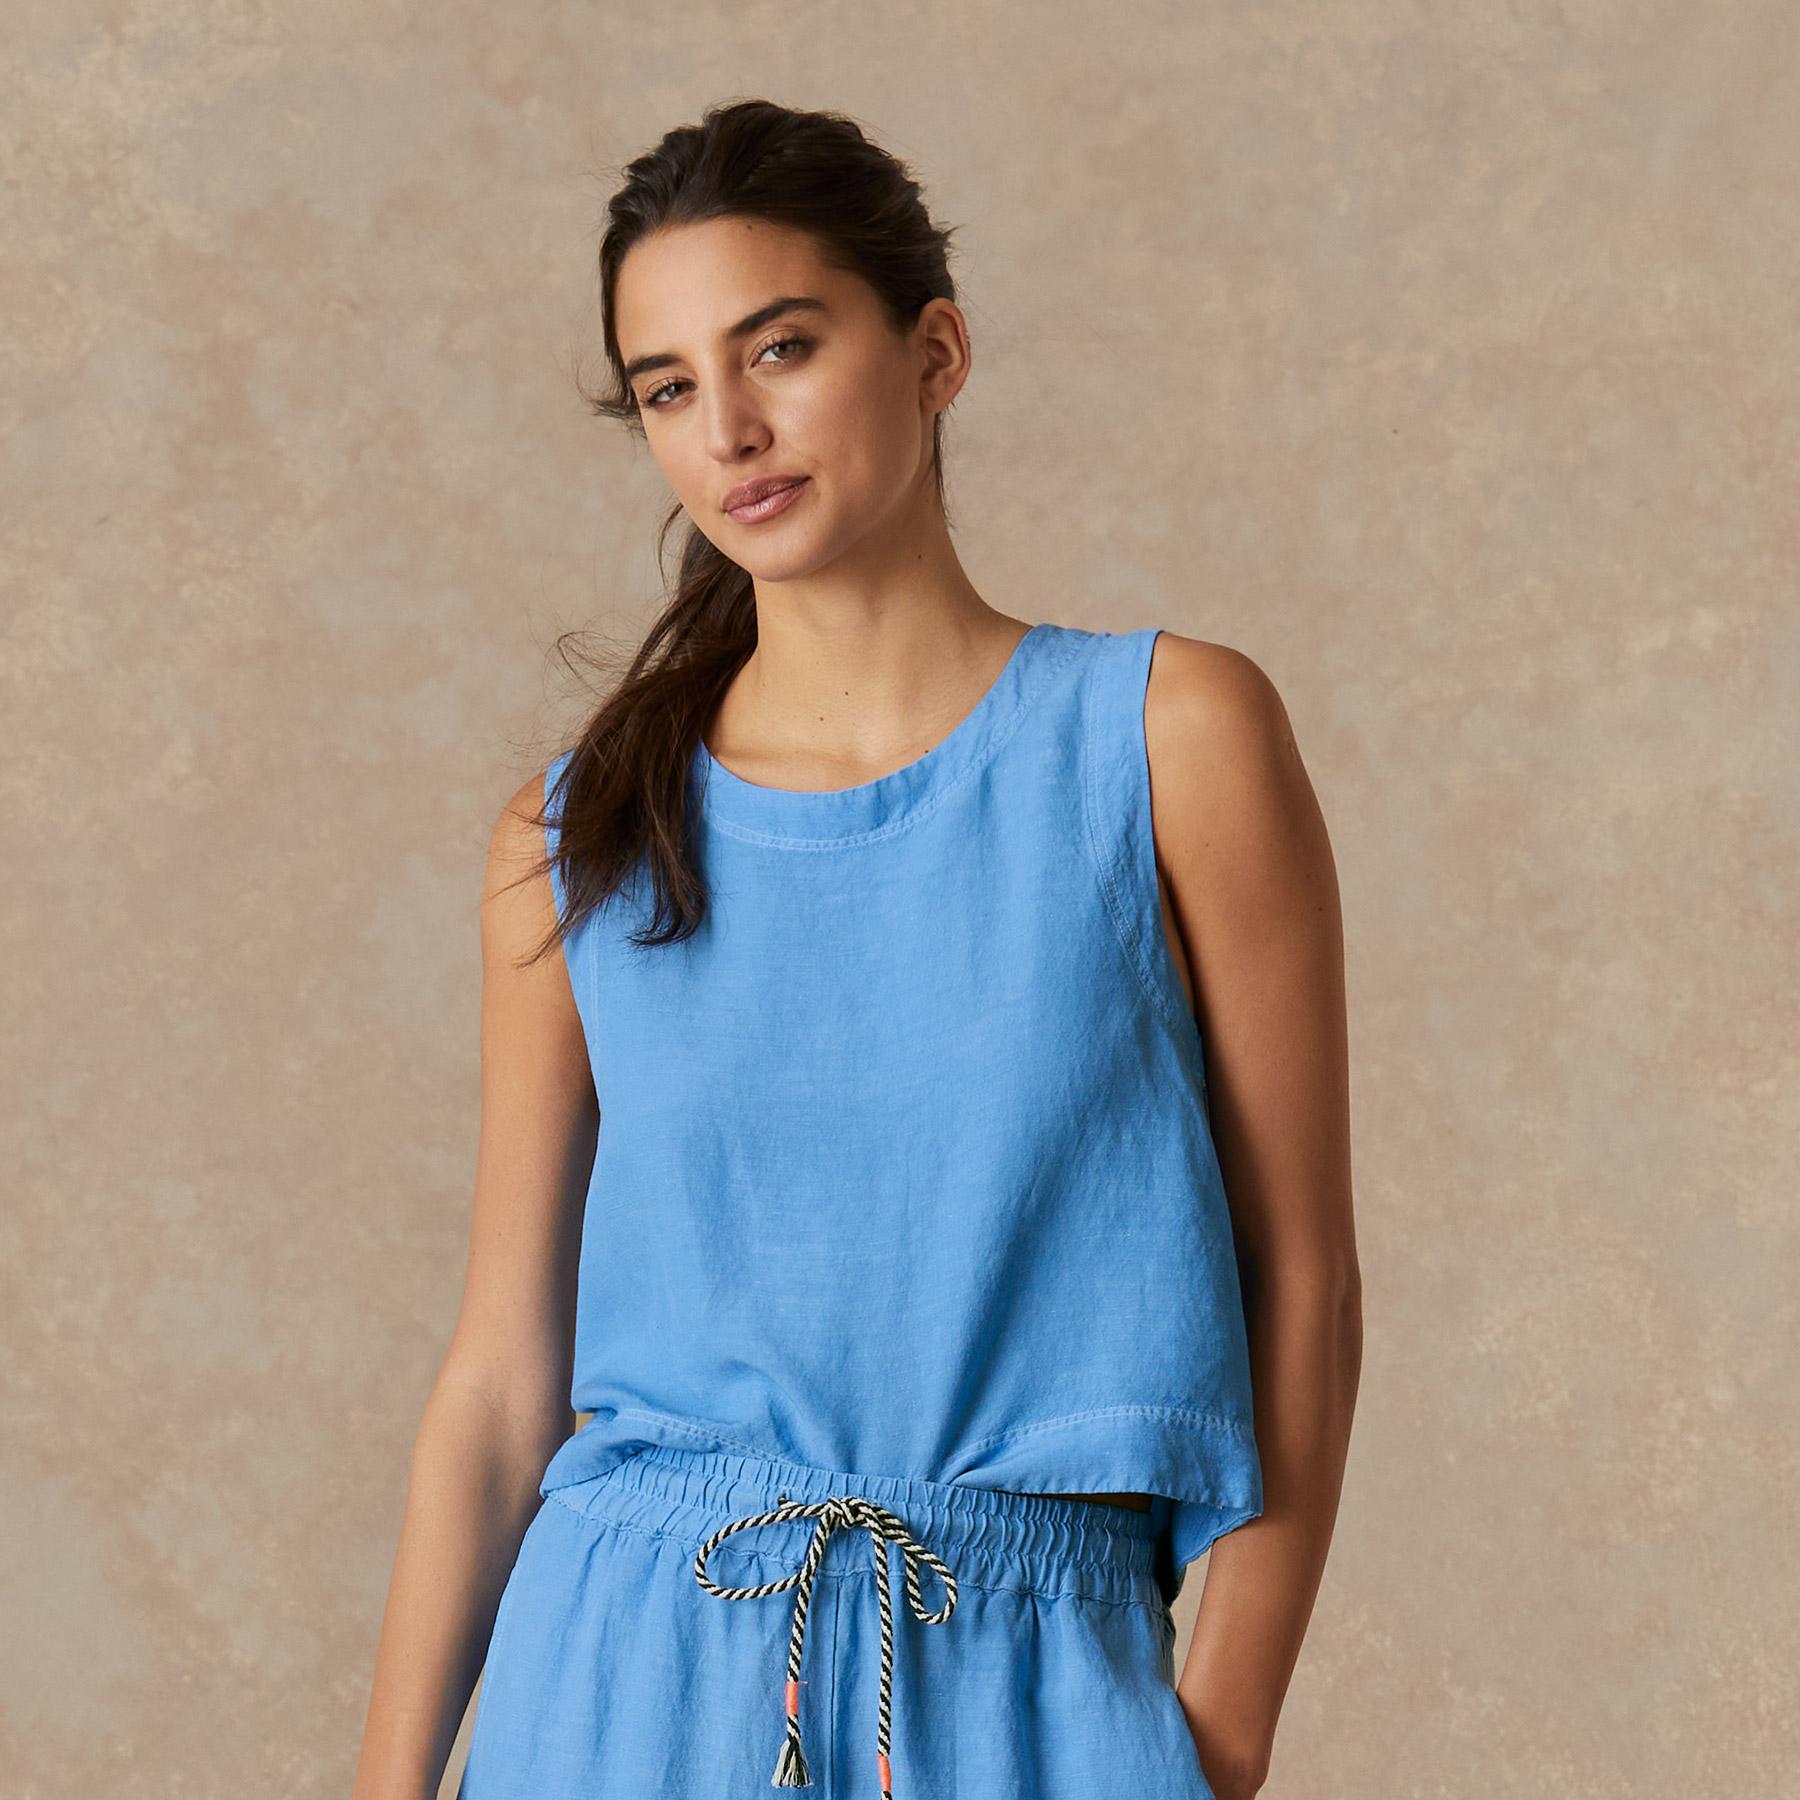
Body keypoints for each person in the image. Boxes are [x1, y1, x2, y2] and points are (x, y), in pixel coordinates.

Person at [352, 99, 1359, 1800]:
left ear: (935, 352)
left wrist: (1218, 1735)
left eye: (782, 348)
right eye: (668, 388)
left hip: (1028, 1672)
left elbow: (1306, 1277)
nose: (730, 428)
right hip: (615, 1680)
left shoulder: (1167, 739)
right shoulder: (579, 835)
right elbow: (503, 1376)